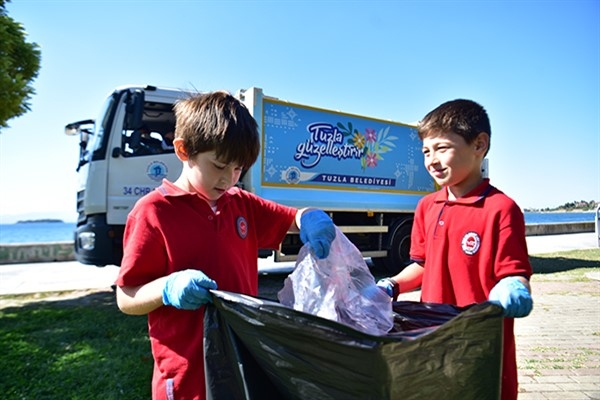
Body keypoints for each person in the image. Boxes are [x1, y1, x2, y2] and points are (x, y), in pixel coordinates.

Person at [115, 91, 336, 400]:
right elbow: (126, 297)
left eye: (238, 169)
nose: (229, 179)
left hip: (242, 360)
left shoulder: (239, 203)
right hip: (186, 373)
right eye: (219, 165)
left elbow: (293, 217)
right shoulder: (153, 211)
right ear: (183, 150)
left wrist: (310, 217)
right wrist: (167, 287)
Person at [376, 99, 533, 400]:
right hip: (433, 339)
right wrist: (390, 286)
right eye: (426, 151)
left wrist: (515, 286)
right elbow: (422, 265)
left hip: (481, 345)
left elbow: (514, 273)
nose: (432, 160)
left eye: (442, 148)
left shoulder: (501, 209)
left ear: (479, 145)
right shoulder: (426, 206)